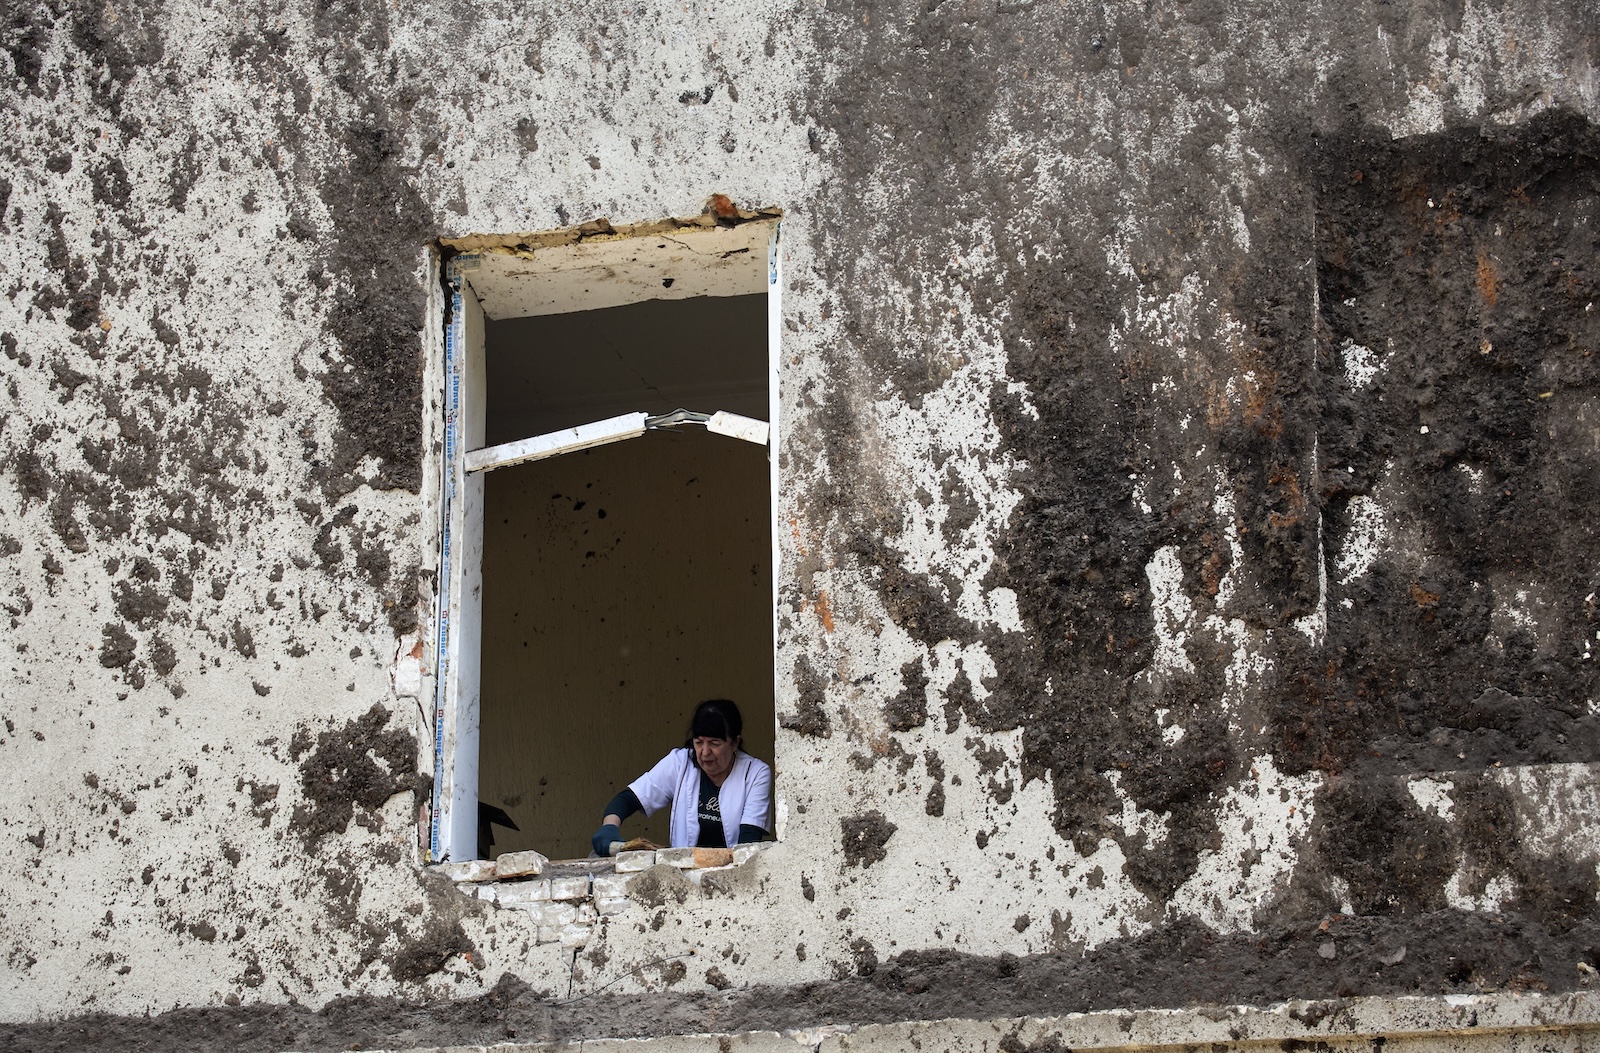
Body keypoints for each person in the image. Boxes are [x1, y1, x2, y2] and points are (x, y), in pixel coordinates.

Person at [591, 699, 772, 855]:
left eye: (715, 743)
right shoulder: (680, 762)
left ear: (735, 743)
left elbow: (749, 839)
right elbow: (629, 799)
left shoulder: (755, 773)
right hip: (683, 875)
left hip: (733, 875)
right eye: (699, 742)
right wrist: (610, 827)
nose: (705, 752)